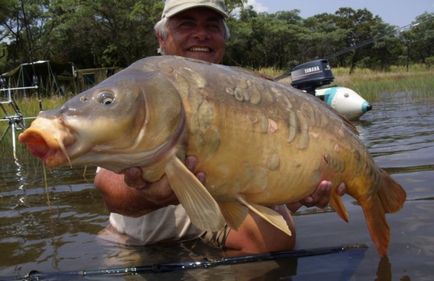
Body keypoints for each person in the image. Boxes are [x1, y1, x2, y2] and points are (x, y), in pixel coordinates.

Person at [95, 0, 346, 253]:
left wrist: (300, 189)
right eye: (187, 24)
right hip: (141, 245)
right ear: (162, 36)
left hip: (215, 228)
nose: (201, 34)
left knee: (278, 234)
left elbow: (262, 187)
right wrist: (150, 194)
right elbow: (110, 190)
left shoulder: (245, 93)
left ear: (223, 38)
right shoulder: (141, 86)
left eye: (212, 26)